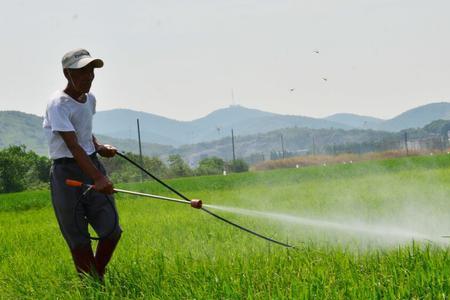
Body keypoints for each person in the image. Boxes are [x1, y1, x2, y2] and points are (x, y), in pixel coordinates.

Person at [43, 48, 122, 281]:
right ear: (67, 73)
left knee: (111, 230)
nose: (88, 76)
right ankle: (92, 286)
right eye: (82, 71)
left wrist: (98, 147)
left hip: (92, 165)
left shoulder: (90, 100)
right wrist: (98, 178)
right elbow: (73, 146)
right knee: (78, 236)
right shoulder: (58, 103)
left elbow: (84, 135)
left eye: (91, 71)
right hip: (66, 173)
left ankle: (96, 274)